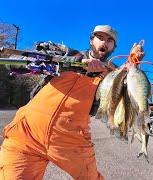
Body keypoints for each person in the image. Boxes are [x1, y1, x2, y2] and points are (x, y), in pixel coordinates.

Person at [0, 25, 144, 179]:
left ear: (113, 47)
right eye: (100, 37)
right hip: (26, 133)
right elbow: (13, 64)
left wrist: (133, 62)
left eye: (110, 40)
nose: (104, 42)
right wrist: (75, 62)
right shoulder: (66, 54)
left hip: (72, 140)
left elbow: (129, 92)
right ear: (91, 40)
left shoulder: (113, 74)